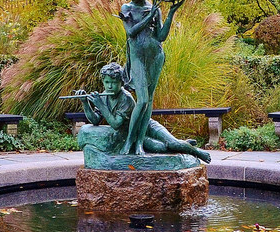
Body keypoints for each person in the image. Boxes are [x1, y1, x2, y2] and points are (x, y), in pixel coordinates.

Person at [76, 62, 210, 162]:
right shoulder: (104, 96)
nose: (110, 86)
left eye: (114, 82)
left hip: (146, 127)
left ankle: (197, 152)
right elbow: (95, 120)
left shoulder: (126, 98)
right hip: (132, 135)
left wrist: (101, 105)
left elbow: (116, 124)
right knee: (162, 148)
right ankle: (183, 144)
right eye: (107, 82)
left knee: (172, 144)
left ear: (121, 82)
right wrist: (85, 103)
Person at [118, 0, 183, 156]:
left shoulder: (154, 8)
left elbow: (161, 36)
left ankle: (139, 143)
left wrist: (170, 13)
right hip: (137, 56)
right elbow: (131, 32)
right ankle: (129, 141)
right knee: (142, 100)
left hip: (155, 55)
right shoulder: (127, 9)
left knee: (149, 101)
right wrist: (149, 16)